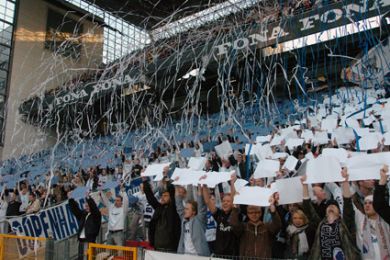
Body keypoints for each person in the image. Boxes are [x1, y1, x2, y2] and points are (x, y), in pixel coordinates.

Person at [301, 169, 360, 259]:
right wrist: (304, 185)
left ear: (339, 213)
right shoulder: (320, 224)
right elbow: (308, 210)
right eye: (329, 206)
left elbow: (348, 204)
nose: (331, 207)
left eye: (334, 206)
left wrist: (345, 181)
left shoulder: (345, 223)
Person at [202, 174, 240, 257]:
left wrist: (233, 183)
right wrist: (204, 184)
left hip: (232, 255)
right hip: (218, 255)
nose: (225, 203)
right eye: (223, 201)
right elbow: (208, 201)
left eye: (228, 201)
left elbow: (235, 199)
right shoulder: (219, 214)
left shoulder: (236, 214)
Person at [143, 176, 181, 252]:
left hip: (170, 249)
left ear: (171, 198)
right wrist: (144, 181)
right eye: (162, 196)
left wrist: (167, 179)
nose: (162, 198)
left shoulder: (173, 209)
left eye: (166, 196)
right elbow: (150, 197)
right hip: (157, 248)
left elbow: (172, 192)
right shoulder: (159, 208)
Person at [176, 185, 210, 256]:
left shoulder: (199, 220)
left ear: (194, 212)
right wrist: (176, 185)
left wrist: (200, 187)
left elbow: (201, 205)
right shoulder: (184, 220)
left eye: (187, 209)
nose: (184, 210)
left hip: (198, 256)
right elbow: (178, 204)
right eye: (185, 208)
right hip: (185, 255)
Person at [68, 192, 101, 260]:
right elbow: (75, 210)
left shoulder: (96, 215)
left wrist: (88, 197)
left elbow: (94, 207)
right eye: (85, 206)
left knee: (87, 258)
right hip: (81, 242)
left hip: (89, 241)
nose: (86, 208)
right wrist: (71, 199)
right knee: (81, 258)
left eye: (88, 206)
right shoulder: (84, 214)